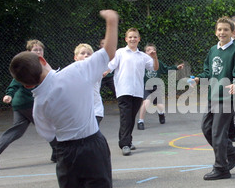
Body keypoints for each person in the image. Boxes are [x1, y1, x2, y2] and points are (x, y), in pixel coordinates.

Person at [9, 9, 119, 188]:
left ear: (25, 84)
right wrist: (112, 21)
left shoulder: (38, 105)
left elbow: (49, 134)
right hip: (92, 146)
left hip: (65, 153)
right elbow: (109, 52)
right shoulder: (74, 73)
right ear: (42, 60)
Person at [0, 40, 56, 170]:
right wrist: (9, 94)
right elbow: (16, 81)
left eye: (40, 50)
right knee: (49, 126)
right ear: (28, 53)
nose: (38, 52)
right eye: (35, 50)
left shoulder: (41, 65)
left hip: (20, 105)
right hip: (28, 103)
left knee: (17, 131)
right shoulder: (30, 66)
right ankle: (60, 152)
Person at [193, 17, 235, 180]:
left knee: (217, 132)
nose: (222, 32)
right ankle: (233, 153)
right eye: (219, 29)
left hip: (227, 99)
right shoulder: (213, 50)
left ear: (232, 32)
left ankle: (221, 168)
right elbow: (209, 72)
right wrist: (199, 78)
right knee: (207, 128)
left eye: (226, 29)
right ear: (216, 32)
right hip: (213, 96)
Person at [108, 28, 159, 156]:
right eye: (130, 37)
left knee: (130, 117)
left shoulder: (143, 56)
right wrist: (102, 72)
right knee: (126, 117)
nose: (132, 39)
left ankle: (126, 141)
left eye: (135, 37)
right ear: (126, 39)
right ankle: (125, 144)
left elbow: (154, 67)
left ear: (139, 39)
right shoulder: (120, 52)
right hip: (123, 90)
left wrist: (155, 57)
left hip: (137, 91)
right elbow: (110, 66)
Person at [137, 43, 184, 130]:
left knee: (159, 105)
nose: (150, 52)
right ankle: (140, 121)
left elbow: (166, 69)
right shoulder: (142, 63)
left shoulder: (158, 63)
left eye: (152, 50)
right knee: (146, 103)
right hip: (146, 87)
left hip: (156, 87)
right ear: (144, 53)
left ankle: (161, 113)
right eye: (148, 50)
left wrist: (176, 68)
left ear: (155, 52)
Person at [73, 43, 104, 125]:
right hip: (79, 112)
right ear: (75, 57)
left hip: (95, 111)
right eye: (82, 53)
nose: (86, 55)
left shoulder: (96, 70)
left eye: (89, 54)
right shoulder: (71, 72)